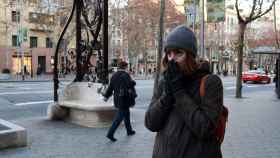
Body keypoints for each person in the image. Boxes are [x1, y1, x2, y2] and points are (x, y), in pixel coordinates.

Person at [145, 25, 223, 158]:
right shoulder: (164, 82)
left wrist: (179, 93)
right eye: (169, 54)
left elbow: (206, 128)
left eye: (179, 53)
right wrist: (167, 96)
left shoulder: (210, 82)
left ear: (191, 56)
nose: (172, 59)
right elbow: (151, 123)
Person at [103, 61, 136, 142]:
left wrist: (106, 96)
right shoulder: (125, 75)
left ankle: (129, 130)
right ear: (125, 67)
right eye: (126, 66)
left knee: (127, 115)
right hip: (124, 99)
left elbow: (110, 88)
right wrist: (133, 81)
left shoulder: (113, 76)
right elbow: (129, 84)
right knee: (119, 118)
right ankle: (110, 133)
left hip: (117, 99)